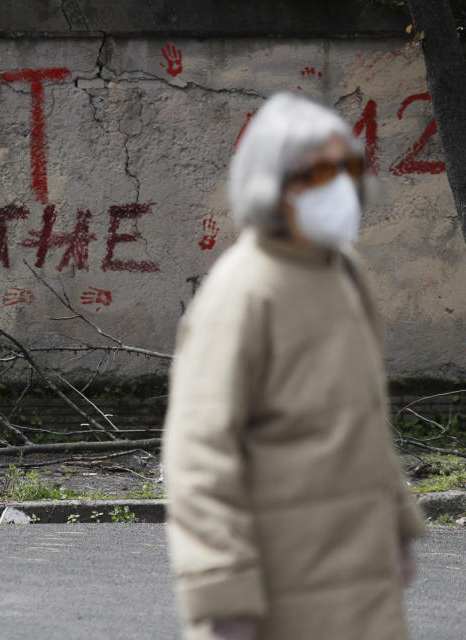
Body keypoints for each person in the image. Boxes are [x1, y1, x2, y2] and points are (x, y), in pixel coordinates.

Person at [162, 92, 425, 640]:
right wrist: (223, 592)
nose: (341, 186)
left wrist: (398, 526)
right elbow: (199, 456)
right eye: (319, 172)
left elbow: (364, 420)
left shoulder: (345, 271)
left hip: (360, 583)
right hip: (281, 594)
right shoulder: (241, 292)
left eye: (348, 168)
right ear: (272, 185)